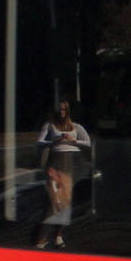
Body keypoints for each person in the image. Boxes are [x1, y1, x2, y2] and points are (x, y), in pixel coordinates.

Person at [35, 98, 92, 247]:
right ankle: (42, 237)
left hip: (74, 161)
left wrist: (74, 141)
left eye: (64, 109)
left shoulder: (76, 126)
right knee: (56, 199)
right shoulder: (49, 125)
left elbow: (87, 142)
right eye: (59, 109)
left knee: (66, 199)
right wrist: (53, 141)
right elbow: (39, 142)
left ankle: (58, 236)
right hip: (56, 160)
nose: (62, 112)